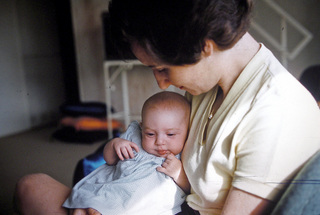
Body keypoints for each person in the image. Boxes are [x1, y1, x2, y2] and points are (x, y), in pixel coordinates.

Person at [14, 0, 320, 214]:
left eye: (163, 68)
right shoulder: (207, 87)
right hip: (164, 202)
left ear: (204, 45)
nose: (162, 84)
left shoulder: (275, 109)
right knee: (30, 187)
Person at [62, 91, 190, 215]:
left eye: (170, 134)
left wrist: (179, 174)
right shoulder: (134, 137)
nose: (160, 141)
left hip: (145, 202)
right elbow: (109, 160)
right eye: (150, 134)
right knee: (90, 193)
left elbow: (190, 189)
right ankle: (87, 206)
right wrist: (115, 144)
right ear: (142, 127)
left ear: (187, 131)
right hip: (117, 186)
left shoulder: (184, 156)